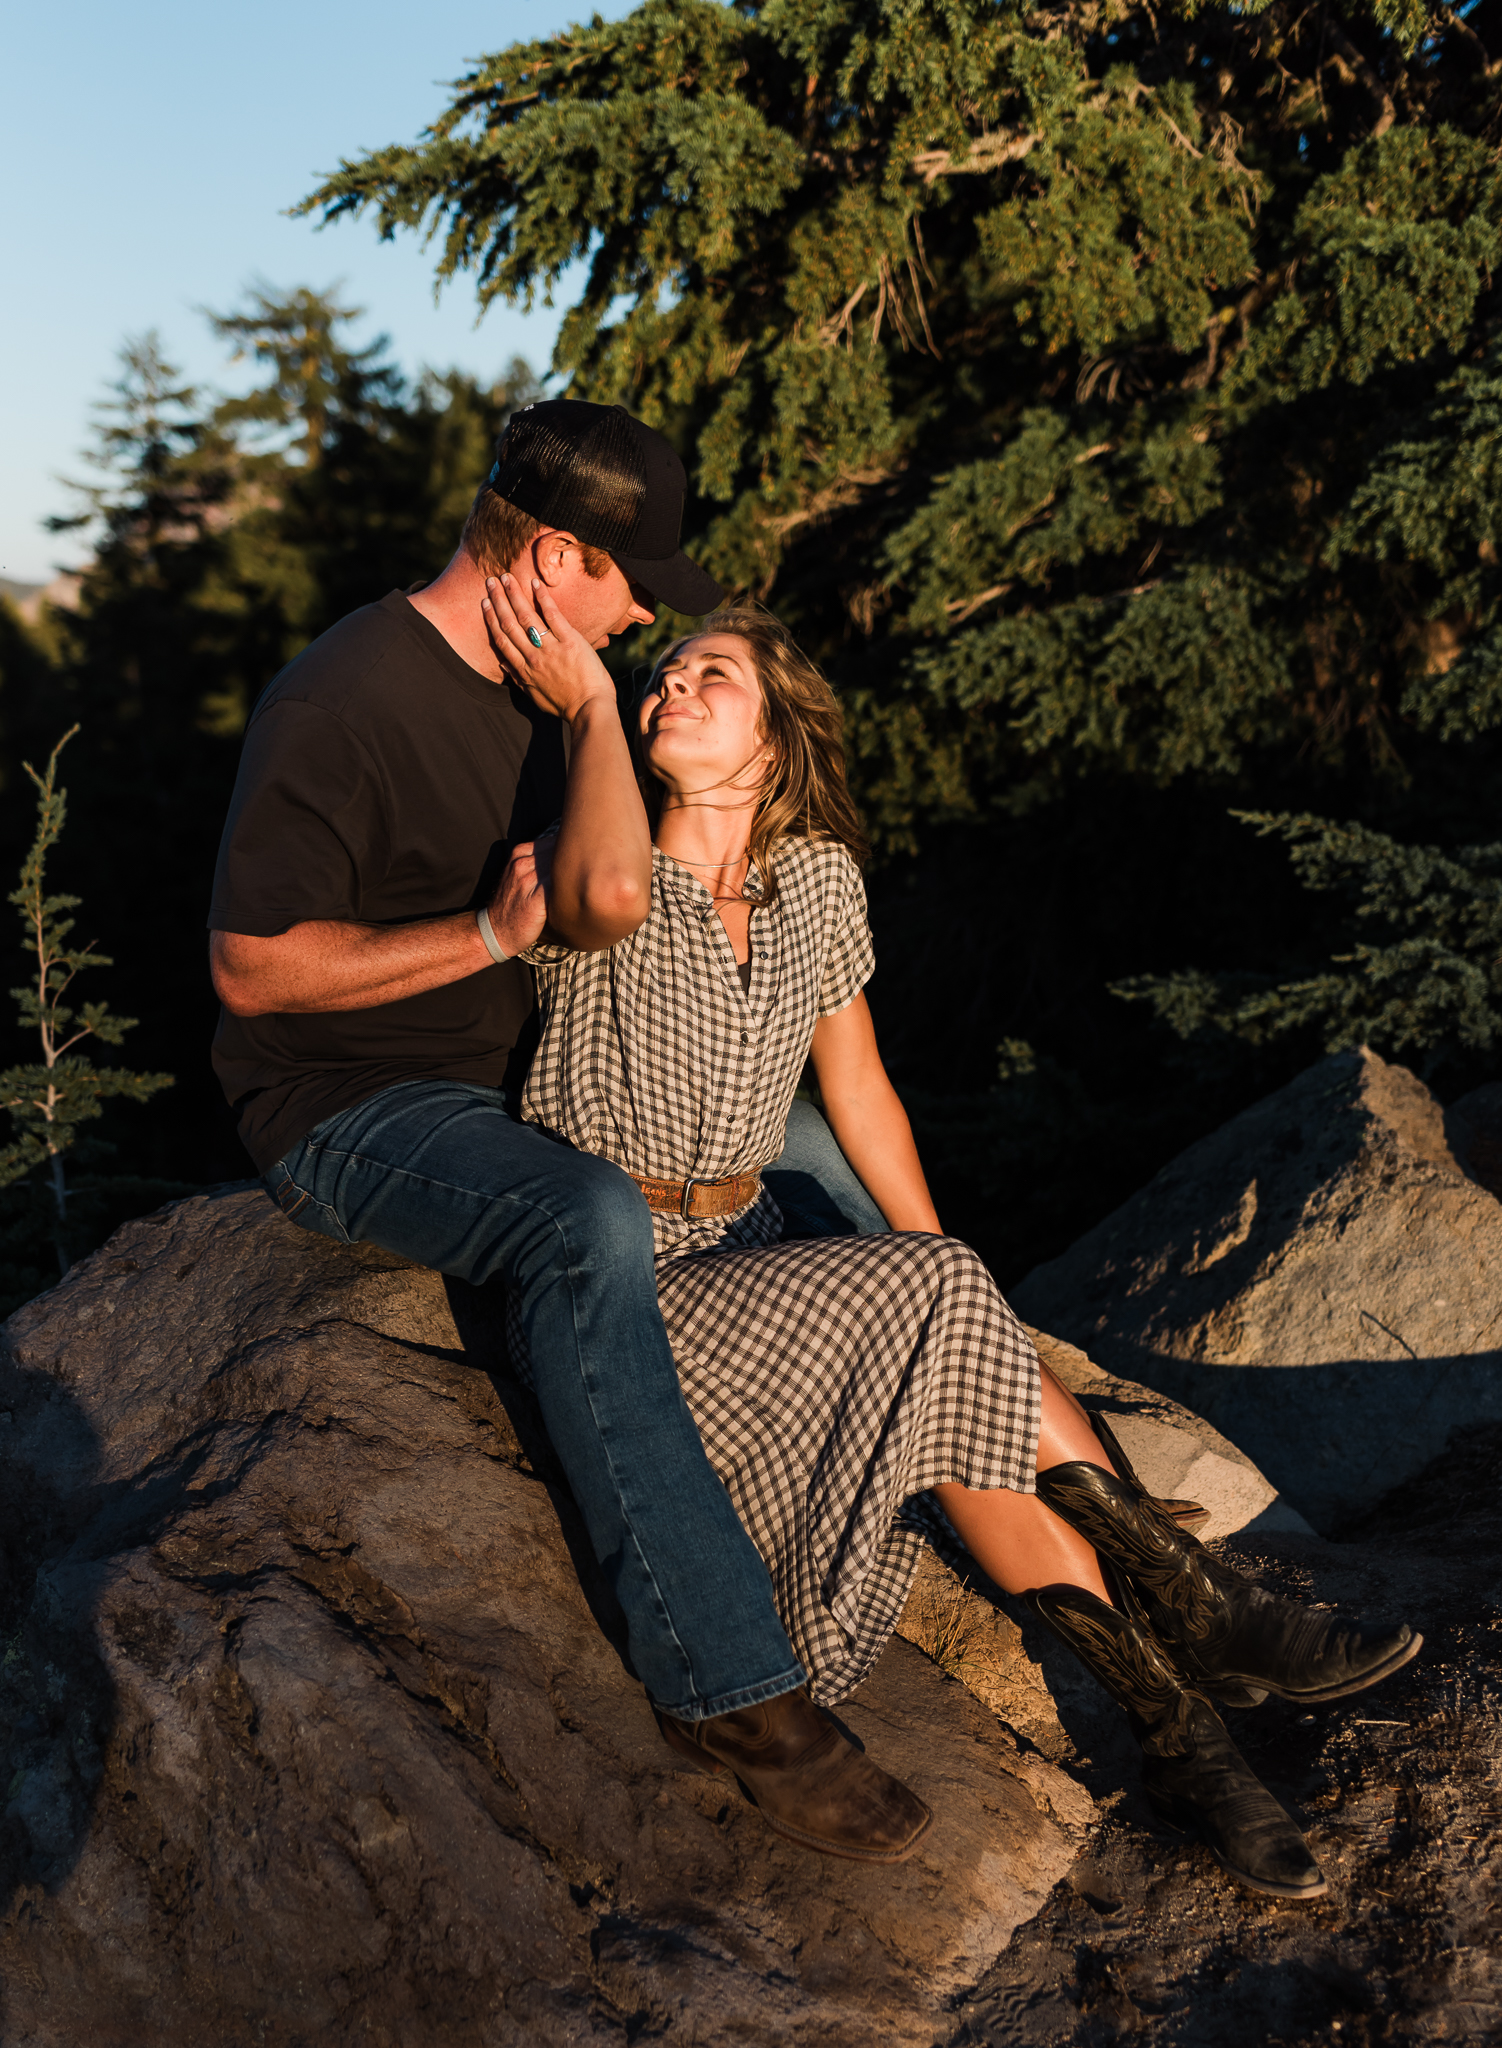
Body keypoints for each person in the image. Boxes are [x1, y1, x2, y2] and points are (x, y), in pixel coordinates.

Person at [485, 583, 1423, 1902]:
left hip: (754, 1254)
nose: (669, 688)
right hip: (624, 1283)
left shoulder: (814, 883)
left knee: (951, 1330)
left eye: (710, 677)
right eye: (661, 675)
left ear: (775, 743)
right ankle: (1203, 1607)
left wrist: (958, 1286)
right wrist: (584, 696)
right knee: (933, 1296)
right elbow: (580, 896)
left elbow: (858, 1087)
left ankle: (1182, 1735)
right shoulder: (605, 851)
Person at [207, 400, 932, 1867]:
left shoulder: (561, 696)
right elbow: (251, 969)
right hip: (357, 1103)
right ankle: (724, 1685)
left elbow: (624, 898)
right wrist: (482, 932)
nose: (641, 630)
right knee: (585, 1216)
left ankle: (1042, 1462)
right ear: (551, 557)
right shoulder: (340, 699)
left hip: (527, 1080)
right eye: (624, 588)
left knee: (807, 1152)